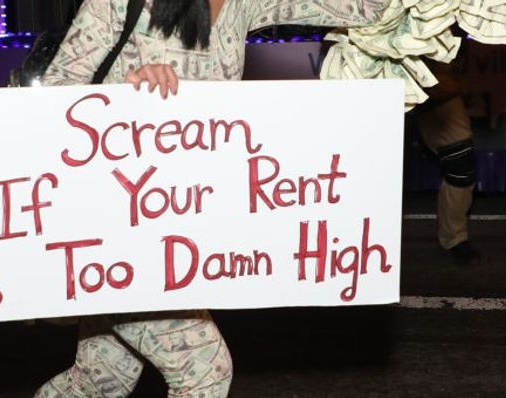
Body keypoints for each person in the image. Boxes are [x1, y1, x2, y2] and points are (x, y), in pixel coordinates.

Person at [35, 0, 386, 396]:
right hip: (122, 235)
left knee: (102, 380)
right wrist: (126, 95)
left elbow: (366, 10)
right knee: (204, 373)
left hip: (185, 234)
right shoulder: (117, 3)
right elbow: (53, 96)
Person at [408, 60, 482, 266]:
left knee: (460, 163)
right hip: (375, 73)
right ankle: (359, 235)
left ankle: (454, 238)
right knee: (368, 162)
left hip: (434, 79)